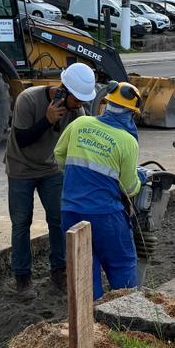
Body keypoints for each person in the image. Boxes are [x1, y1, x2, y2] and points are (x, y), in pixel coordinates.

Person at [4, 62, 95, 298]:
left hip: (51, 169)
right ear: (64, 91)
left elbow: (79, 145)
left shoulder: (77, 113)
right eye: (77, 99)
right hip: (21, 168)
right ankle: (23, 278)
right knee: (21, 223)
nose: (80, 104)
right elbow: (22, 140)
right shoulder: (28, 100)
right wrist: (47, 120)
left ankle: (59, 272)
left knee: (58, 220)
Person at [53, 81, 144, 299]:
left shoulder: (80, 123)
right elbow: (129, 188)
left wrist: (80, 179)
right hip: (106, 215)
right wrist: (140, 179)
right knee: (121, 264)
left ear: (106, 104)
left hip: (71, 211)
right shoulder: (127, 141)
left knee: (84, 270)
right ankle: (126, 312)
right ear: (130, 113)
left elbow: (59, 155)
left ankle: (91, 316)